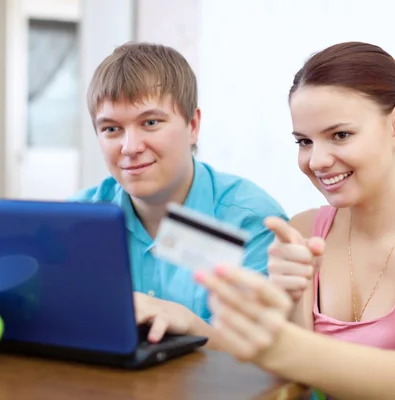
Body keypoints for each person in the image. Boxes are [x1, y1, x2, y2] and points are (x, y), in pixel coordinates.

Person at [196, 41, 395, 399]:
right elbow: (297, 387)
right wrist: (285, 301)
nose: (317, 160)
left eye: (340, 135)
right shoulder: (302, 233)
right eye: (304, 141)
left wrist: (277, 343)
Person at [70, 42, 288, 348]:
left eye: (150, 123)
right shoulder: (77, 220)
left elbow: (265, 354)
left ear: (193, 125)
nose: (130, 147)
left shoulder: (249, 221)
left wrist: (189, 324)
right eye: (111, 129)